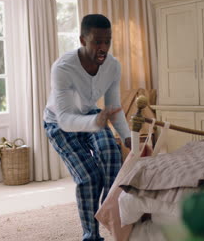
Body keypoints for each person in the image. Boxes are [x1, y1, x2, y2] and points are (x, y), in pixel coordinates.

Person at [43, 14, 131, 241]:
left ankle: (108, 213)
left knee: (112, 154)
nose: (103, 48)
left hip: (92, 115)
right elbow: (64, 118)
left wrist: (129, 137)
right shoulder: (63, 67)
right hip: (60, 123)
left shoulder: (112, 66)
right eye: (97, 41)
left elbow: (113, 106)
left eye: (107, 41)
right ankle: (91, 236)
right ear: (83, 40)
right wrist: (96, 122)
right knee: (89, 178)